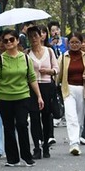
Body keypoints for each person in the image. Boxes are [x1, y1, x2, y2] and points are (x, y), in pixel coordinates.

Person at [0, 29, 42, 167]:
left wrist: (39, 96)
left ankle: (27, 156)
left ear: (17, 41)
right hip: (4, 98)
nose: (9, 42)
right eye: (5, 40)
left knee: (22, 124)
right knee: (8, 127)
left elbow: (32, 78)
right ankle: (12, 158)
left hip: (22, 96)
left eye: (12, 39)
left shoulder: (25, 58)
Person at [26, 25, 60, 158]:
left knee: (46, 117)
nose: (33, 39)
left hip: (47, 87)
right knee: (34, 118)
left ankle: (46, 144)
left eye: (35, 35)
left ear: (41, 36)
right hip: (32, 88)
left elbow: (57, 68)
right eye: (30, 36)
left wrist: (50, 71)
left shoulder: (49, 51)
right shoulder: (27, 54)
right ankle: (36, 147)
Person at [58, 32, 85, 155]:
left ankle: (76, 137)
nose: (74, 45)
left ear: (81, 43)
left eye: (77, 42)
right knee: (71, 116)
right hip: (68, 90)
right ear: (68, 43)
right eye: (72, 42)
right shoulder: (63, 57)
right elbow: (58, 74)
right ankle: (74, 143)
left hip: (83, 90)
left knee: (79, 118)